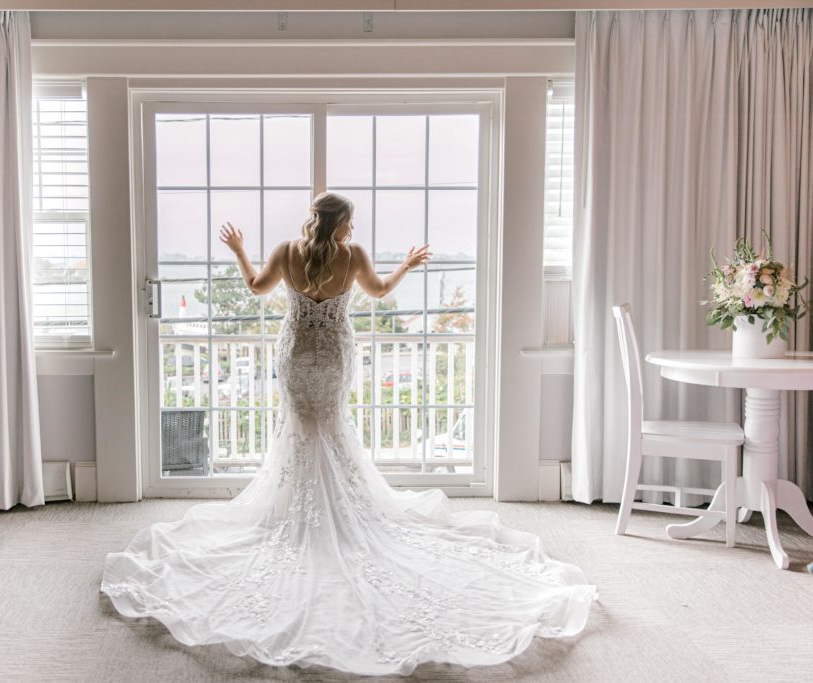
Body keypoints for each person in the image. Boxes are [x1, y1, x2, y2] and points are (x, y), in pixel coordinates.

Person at [102, 191, 595, 676]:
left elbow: (255, 286)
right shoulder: (352, 256)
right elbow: (379, 292)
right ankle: (334, 513)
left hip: (296, 354)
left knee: (301, 431)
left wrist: (237, 249)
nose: (353, 232)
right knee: (330, 428)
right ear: (338, 225)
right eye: (350, 223)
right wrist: (406, 267)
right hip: (334, 355)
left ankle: (297, 510)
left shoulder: (286, 252)